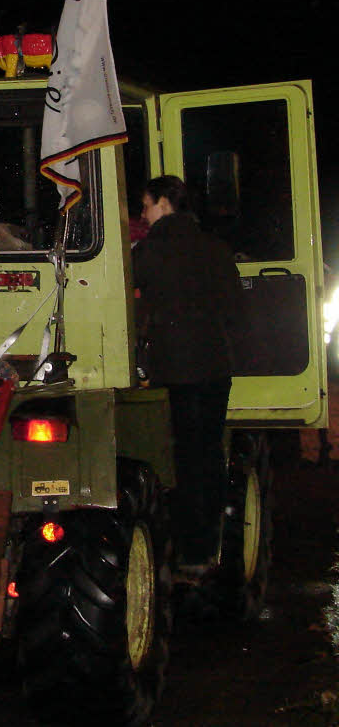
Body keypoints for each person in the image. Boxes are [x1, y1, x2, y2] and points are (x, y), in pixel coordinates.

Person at [132, 175, 244, 575]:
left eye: (146, 205)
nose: (143, 215)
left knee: (180, 457)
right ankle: (205, 547)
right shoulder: (215, 249)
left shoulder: (147, 252)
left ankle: (181, 546)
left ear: (164, 203)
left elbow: (132, 308)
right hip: (214, 368)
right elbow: (235, 311)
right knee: (209, 454)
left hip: (172, 370)